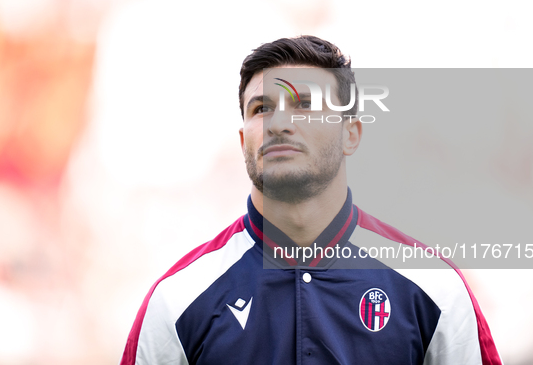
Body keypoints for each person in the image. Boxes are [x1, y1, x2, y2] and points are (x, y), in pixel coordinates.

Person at [119, 36, 502, 364]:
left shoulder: (432, 287)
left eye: (304, 104)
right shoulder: (178, 299)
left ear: (350, 134)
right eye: (262, 108)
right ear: (243, 142)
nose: (279, 123)